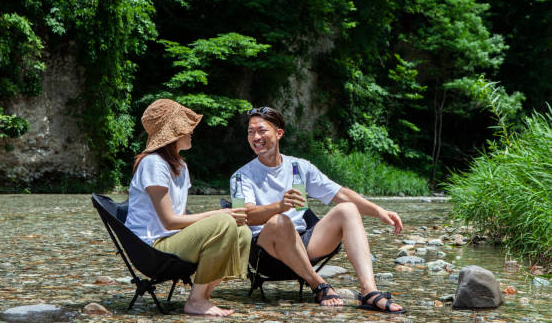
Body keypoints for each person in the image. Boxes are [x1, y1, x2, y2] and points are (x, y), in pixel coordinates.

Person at [232, 106, 406, 314]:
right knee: (280, 221)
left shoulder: (300, 167)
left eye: (262, 131)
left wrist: (379, 211)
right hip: (267, 253)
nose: (256, 137)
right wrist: (280, 206)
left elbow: (340, 193)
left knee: (347, 209)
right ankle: (318, 284)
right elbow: (244, 217)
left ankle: (369, 291)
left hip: (303, 244)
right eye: (251, 132)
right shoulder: (241, 176)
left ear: (279, 133)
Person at [125, 99, 251, 317]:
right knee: (224, 221)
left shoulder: (180, 166)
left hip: (171, 240)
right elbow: (170, 221)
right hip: (152, 248)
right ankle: (197, 301)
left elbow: (180, 218)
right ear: (173, 132)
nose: (192, 131)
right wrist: (220, 214)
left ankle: (202, 296)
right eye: (186, 127)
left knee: (243, 231)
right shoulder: (153, 163)